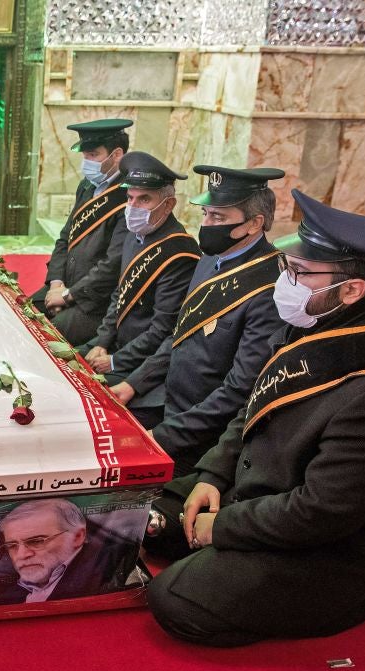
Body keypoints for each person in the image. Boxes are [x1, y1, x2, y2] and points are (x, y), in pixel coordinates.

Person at [144, 189, 365, 647]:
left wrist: (221, 526)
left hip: (323, 547)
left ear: (352, 289)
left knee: (175, 600)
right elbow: (252, 409)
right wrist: (211, 476)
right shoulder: (318, 324)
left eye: (299, 273)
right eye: (287, 267)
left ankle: (352, 599)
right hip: (260, 492)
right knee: (149, 518)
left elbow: (323, 512)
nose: (286, 282)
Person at [109, 166, 286, 477]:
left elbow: (238, 390)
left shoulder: (268, 287)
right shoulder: (210, 260)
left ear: (255, 223)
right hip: (168, 402)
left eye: (218, 218)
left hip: (203, 436)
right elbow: (178, 335)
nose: (206, 225)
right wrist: (133, 384)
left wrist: (161, 438)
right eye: (205, 214)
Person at [78, 152, 200, 386]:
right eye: (130, 198)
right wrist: (102, 342)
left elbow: (162, 330)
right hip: (115, 345)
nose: (133, 207)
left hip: (141, 362)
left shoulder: (178, 253)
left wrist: (114, 360)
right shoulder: (137, 235)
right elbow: (120, 294)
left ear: (169, 204)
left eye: (144, 199)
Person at [31, 119, 133, 345]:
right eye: (85, 156)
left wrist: (69, 295)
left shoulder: (129, 197)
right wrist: (56, 284)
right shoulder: (87, 186)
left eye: (93, 155)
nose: (86, 162)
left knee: (46, 339)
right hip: (63, 286)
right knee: (21, 313)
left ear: (116, 155)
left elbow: (112, 263)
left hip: (93, 301)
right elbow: (65, 238)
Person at [0, 499, 136, 603]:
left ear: (77, 536)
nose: (21, 555)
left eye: (37, 541)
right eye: (12, 546)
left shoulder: (108, 572)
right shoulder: (6, 596)